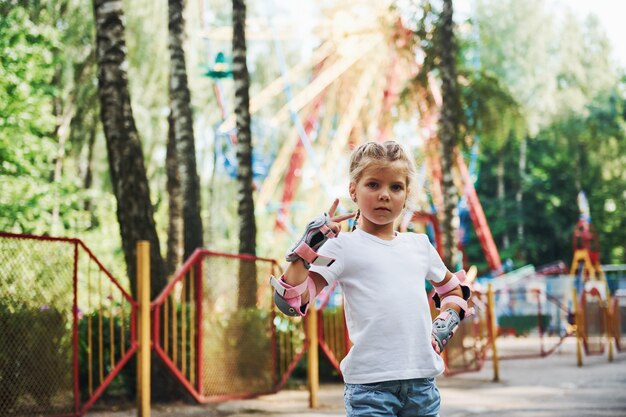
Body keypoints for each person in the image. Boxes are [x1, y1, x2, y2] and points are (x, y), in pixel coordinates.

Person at [270, 140, 472, 417]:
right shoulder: (342, 246)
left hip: (422, 384)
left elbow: (455, 291)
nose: (384, 195)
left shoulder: (419, 245)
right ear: (354, 189)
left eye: (395, 187)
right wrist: (307, 247)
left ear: (406, 193)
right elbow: (292, 301)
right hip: (370, 388)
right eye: (373, 184)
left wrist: (440, 330)